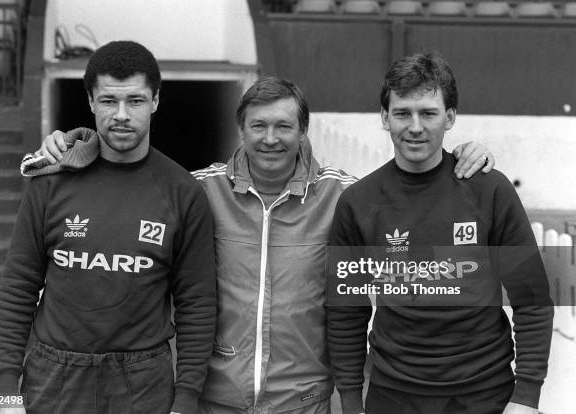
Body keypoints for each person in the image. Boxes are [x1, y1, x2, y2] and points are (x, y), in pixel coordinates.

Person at [25, 76, 494, 413]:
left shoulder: (344, 197)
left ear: (303, 131)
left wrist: (463, 160)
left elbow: (415, 219)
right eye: (258, 126)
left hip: (304, 402)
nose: (271, 139)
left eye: (284, 126)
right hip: (211, 400)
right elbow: (127, 183)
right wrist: (74, 144)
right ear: (241, 129)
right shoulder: (196, 191)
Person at [0, 41, 216, 414]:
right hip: (53, 377)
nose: (122, 114)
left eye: (136, 101)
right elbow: (18, 286)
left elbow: (197, 304)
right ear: (92, 102)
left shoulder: (183, 192)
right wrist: (3, 393)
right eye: (109, 101)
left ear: (156, 100)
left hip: (143, 382)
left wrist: (186, 400)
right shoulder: (50, 181)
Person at [327, 52, 553, 414]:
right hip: (392, 395)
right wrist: (352, 401)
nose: (415, 126)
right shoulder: (358, 202)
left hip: (484, 395)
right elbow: (345, 312)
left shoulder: (489, 190)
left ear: (450, 117)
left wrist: (526, 397)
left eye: (428, 113)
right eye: (402, 113)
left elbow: (533, 298)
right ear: (385, 118)